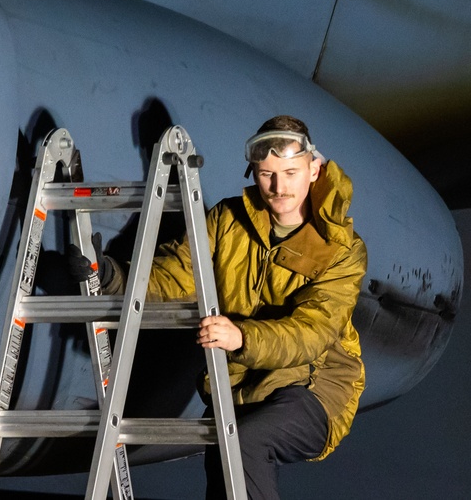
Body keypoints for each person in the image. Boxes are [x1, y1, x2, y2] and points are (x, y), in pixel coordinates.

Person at [69, 115, 366, 499]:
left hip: (313, 387)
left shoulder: (342, 248)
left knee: (246, 443)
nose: (278, 187)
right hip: (237, 386)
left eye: (290, 172)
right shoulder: (227, 221)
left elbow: (313, 332)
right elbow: (177, 275)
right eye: (266, 174)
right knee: (225, 475)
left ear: (314, 170)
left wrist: (241, 335)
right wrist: (109, 274)